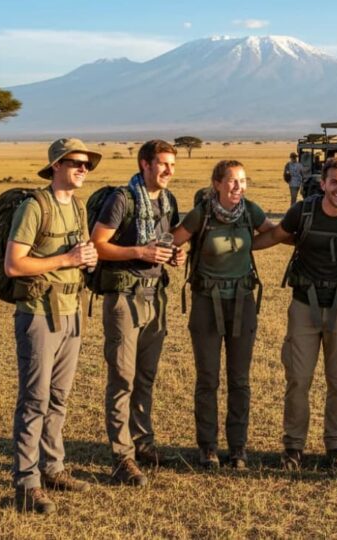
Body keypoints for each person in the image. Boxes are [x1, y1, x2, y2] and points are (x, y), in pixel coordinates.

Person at [253, 157, 337, 473]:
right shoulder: (304, 211)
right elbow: (276, 236)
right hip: (303, 304)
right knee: (298, 379)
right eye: (335, 182)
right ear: (323, 183)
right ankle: (293, 447)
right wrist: (238, 247)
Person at [5, 138, 101, 514]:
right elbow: (15, 265)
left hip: (71, 311)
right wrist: (67, 258)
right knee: (34, 399)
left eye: (87, 164)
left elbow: (78, 256)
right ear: (56, 166)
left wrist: (86, 259)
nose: (83, 169)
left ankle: (52, 468)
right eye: (76, 163)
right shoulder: (34, 207)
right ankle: (26, 483)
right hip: (38, 314)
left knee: (59, 398)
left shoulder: (77, 207)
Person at [91, 139, 185, 487]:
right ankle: (122, 457)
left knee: (146, 376)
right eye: (162, 164)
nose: (168, 171)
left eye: (172, 165)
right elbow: (97, 245)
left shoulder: (168, 200)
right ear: (144, 164)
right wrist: (139, 252)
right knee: (122, 378)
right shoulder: (122, 199)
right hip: (123, 296)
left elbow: (169, 240)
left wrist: (173, 256)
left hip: (154, 294)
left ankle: (143, 443)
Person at [172, 160, 274, 469]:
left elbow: (274, 233)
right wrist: (177, 254)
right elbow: (173, 241)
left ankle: (239, 448)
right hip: (206, 302)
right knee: (208, 378)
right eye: (231, 181)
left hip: (242, 301)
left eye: (243, 181)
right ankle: (208, 447)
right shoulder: (201, 213)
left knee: (240, 380)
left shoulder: (250, 211)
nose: (238, 187)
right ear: (217, 183)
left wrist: (247, 248)